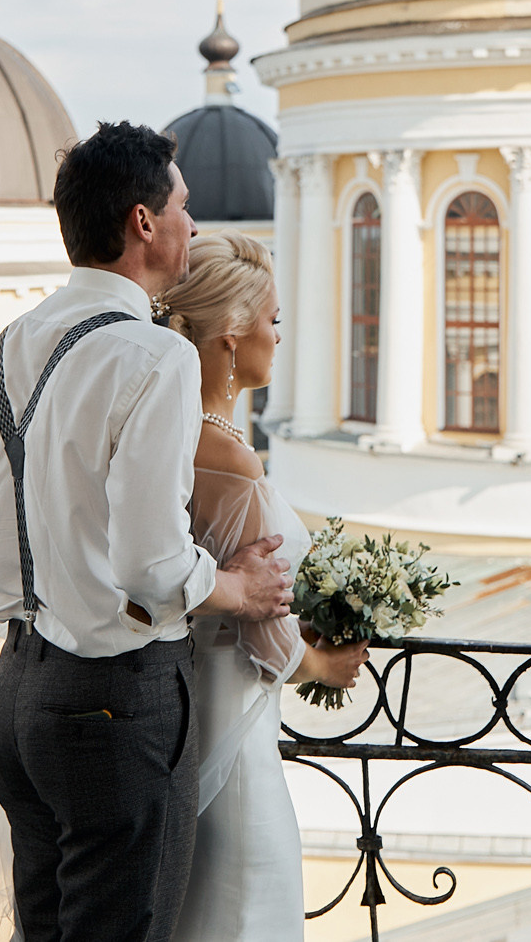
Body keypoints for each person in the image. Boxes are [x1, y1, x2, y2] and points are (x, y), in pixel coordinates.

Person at [0, 122, 294, 942]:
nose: (193, 223)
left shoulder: (11, 344)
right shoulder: (155, 357)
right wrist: (240, 587)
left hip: (17, 691)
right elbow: (152, 564)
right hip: (115, 699)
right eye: (182, 206)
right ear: (143, 222)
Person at [157, 234, 368, 942]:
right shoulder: (231, 459)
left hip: (182, 723)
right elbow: (262, 632)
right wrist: (324, 664)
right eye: (272, 320)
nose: (278, 336)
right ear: (230, 334)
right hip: (239, 745)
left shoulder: (171, 438)